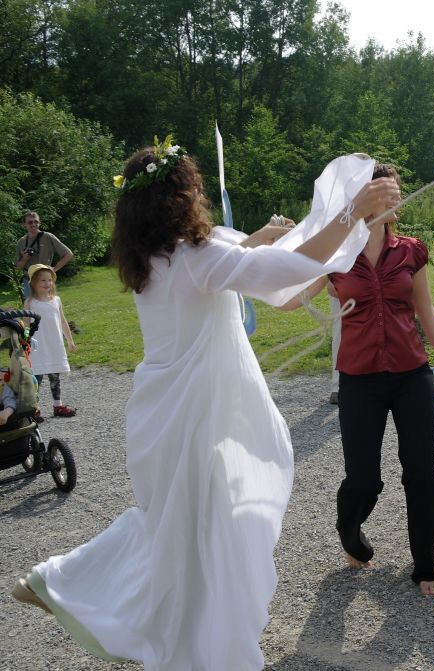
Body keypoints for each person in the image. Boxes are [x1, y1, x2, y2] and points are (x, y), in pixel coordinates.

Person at [10, 139, 400, 668]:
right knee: (211, 533)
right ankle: (80, 590)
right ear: (181, 196)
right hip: (198, 415)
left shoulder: (157, 258)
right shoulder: (199, 257)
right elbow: (280, 271)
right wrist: (354, 214)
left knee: (179, 530)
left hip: (165, 413)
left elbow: (254, 262)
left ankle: (91, 595)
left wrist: (272, 236)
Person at [281, 163, 434, 596]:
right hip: (359, 379)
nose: (395, 196)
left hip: (412, 376)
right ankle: (350, 532)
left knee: (423, 475)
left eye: (396, 189)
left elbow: (426, 310)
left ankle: (425, 565)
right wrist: (284, 252)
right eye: (385, 190)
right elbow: (288, 301)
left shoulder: (412, 250)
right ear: (362, 197)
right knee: (364, 479)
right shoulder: (337, 257)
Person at [23, 264, 77, 417]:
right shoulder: (30, 302)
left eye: (50, 280)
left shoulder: (56, 300)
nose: (47, 283)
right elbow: (25, 324)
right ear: (34, 283)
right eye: (43, 280)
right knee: (36, 378)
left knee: (55, 376)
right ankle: (35, 408)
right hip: (37, 347)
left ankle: (58, 406)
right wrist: (24, 342)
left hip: (54, 344)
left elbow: (62, 321)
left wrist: (70, 341)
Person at [13, 211, 74, 301]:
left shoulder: (47, 237)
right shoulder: (21, 242)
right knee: (30, 310)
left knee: (47, 307)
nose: (33, 224)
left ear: (39, 222)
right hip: (29, 281)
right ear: (24, 224)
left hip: (46, 281)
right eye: (30, 222)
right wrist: (25, 259)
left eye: (36, 222)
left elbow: (68, 254)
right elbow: (18, 267)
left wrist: (54, 269)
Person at [328, 280, 342, 405]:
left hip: (377, 274)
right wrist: (330, 278)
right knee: (340, 332)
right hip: (342, 277)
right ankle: (337, 386)